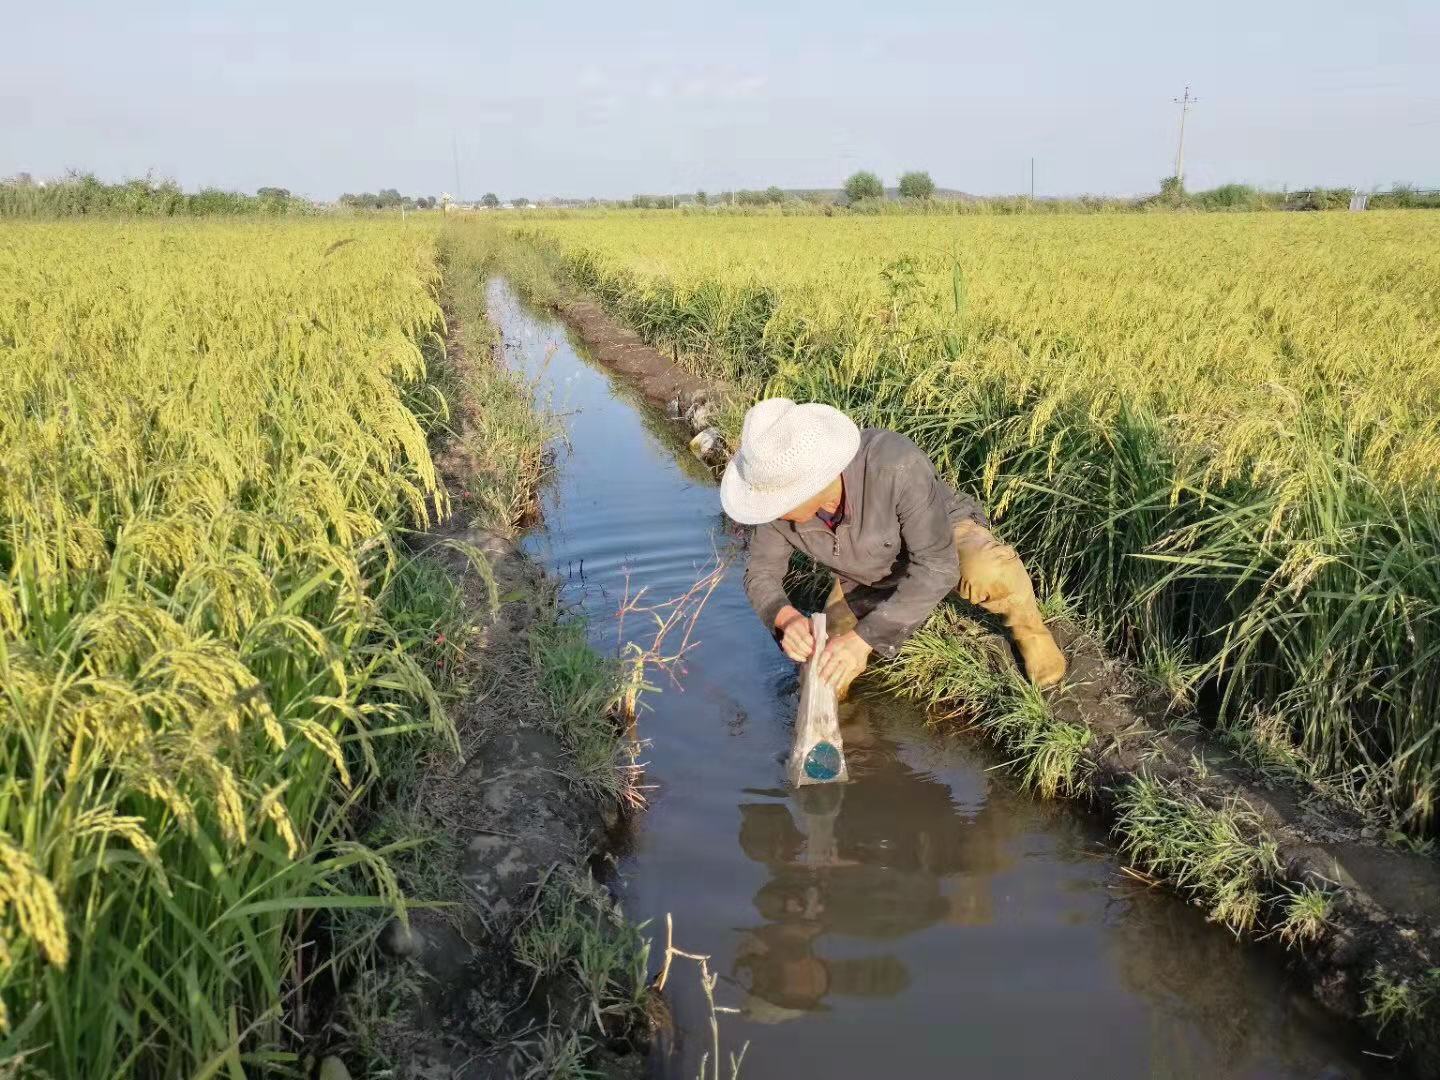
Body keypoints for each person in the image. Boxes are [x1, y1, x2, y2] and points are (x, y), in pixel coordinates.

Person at [719, 398, 1065, 697]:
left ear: (812, 483)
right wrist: (785, 618)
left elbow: (937, 565)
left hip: (941, 539)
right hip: (866, 570)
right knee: (822, 672)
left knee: (988, 570)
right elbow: (761, 573)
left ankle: (1029, 630)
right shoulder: (775, 507)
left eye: (778, 501)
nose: (769, 510)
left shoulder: (894, 463)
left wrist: (861, 642)